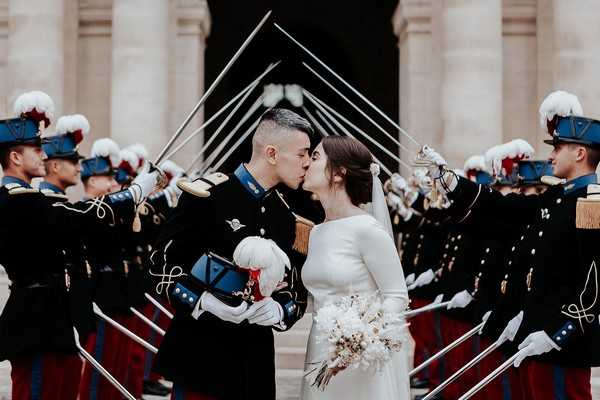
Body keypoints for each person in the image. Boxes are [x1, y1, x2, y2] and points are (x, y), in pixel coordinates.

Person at [417, 90, 600, 399]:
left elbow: (593, 286)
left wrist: (558, 335)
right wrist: (453, 183)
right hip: (535, 339)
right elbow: (505, 210)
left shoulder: (590, 205)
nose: (551, 156)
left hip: (561, 348)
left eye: (558, 147)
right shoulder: (557, 198)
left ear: (580, 153)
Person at [0, 91, 160, 400]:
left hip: (53, 316)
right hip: (35, 321)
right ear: (15, 157)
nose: (43, 157)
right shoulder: (16, 201)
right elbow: (81, 217)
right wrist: (135, 192)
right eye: (35, 149)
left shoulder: (29, 200)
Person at [149, 108, 313, 399]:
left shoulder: (285, 216)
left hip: (255, 364)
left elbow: (297, 287)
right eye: (301, 154)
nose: (307, 164)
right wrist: (203, 301)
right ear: (272, 153)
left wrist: (279, 310)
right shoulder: (208, 196)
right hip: (201, 356)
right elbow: (160, 264)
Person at [300, 136, 410, 400]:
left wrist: (359, 340)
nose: (306, 163)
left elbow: (397, 295)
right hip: (320, 349)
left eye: (315, 157)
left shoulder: (367, 230)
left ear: (339, 173)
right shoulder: (316, 232)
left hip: (360, 357)